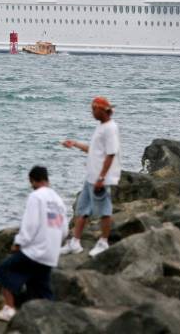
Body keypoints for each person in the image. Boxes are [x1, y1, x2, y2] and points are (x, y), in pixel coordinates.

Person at [0, 165, 68, 322]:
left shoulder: (36, 197)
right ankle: (53, 318)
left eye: (31, 182)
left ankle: (9, 309)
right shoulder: (58, 200)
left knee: (4, 270)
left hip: (35, 252)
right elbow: (64, 231)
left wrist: (18, 243)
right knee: (40, 287)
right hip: (51, 254)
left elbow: (30, 225)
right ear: (47, 179)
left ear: (32, 180)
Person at [60, 96, 121, 258]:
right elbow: (93, 150)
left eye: (94, 109)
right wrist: (74, 144)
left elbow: (111, 154)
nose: (92, 112)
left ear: (103, 110)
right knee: (82, 209)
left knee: (104, 210)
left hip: (100, 178)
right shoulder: (101, 127)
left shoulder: (110, 128)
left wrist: (102, 177)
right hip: (91, 177)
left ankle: (103, 242)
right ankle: (75, 242)